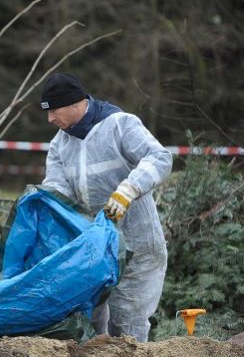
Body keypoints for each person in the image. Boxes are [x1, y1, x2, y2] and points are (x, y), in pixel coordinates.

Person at [39, 72, 173, 342]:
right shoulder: (59, 146)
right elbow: (57, 193)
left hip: (137, 242)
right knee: (89, 322)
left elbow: (159, 157)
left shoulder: (120, 125)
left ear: (75, 103)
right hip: (93, 247)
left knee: (128, 323)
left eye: (54, 110)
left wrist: (128, 190)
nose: (50, 119)